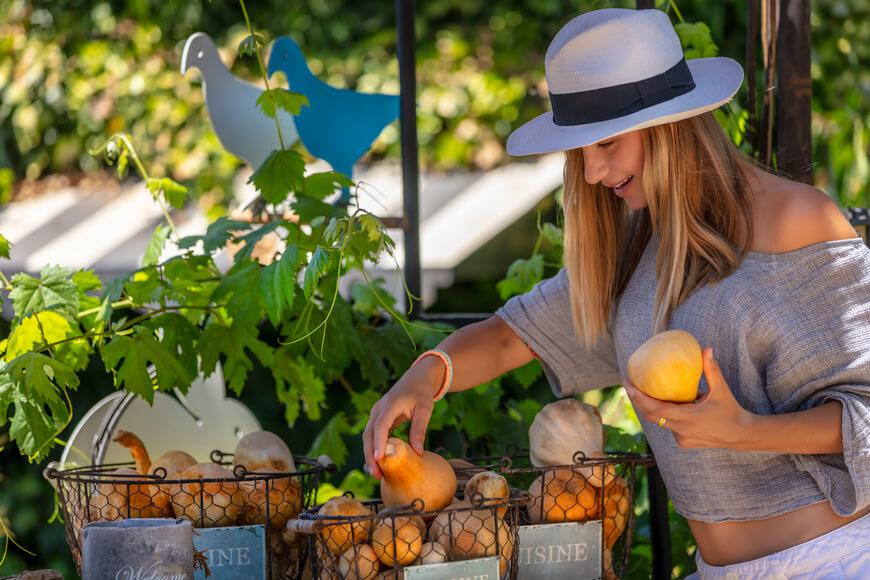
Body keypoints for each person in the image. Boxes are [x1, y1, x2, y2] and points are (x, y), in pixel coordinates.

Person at [362, 8, 870, 578]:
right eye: (578, 152)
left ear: (670, 124)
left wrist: (745, 432)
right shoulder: (641, 242)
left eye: (605, 142)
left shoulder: (799, 218)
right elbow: (512, 336)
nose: (593, 172)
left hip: (838, 558)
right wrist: (426, 374)